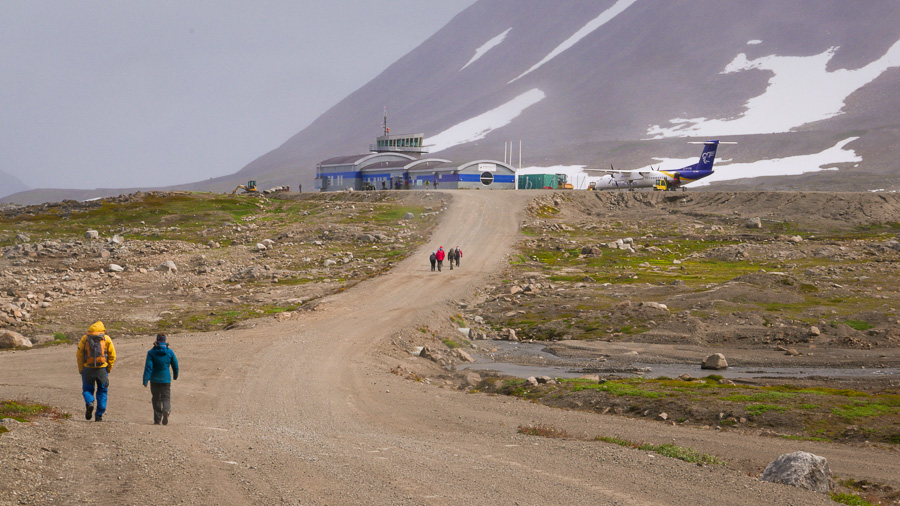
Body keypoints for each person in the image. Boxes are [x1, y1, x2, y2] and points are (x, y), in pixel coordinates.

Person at [76, 321, 116, 422]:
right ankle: (99, 415)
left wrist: (81, 369)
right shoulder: (106, 338)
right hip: (102, 369)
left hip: (88, 369)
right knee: (102, 391)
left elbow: (79, 355)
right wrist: (108, 369)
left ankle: (90, 403)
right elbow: (112, 356)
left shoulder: (85, 338)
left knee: (87, 389)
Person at [143, 334, 179, 425]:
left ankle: (157, 419)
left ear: (157, 340)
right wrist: (175, 375)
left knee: (156, 399)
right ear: (165, 341)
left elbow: (148, 367)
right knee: (166, 398)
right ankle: (166, 410)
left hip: (154, 380)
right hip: (166, 379)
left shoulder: (151, 352)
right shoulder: (169, 352)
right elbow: (175, 365)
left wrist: (145, 380)